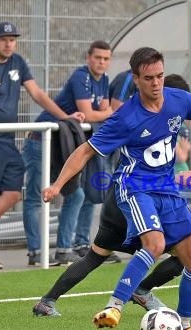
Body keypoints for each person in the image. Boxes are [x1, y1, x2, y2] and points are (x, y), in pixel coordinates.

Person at [40, 47, 191, 330]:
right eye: (149, 78)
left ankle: (184, 327)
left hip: (167, 191)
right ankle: (114, 306)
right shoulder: (125, 117)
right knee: (153, 244)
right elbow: (84, 151)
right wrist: (57, 185)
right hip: (134, 187)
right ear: (136, 79)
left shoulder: (180, 100)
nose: (156, 83)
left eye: (159, 76)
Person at [31, 74, 191, 318]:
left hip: (119, 202)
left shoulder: (157, 118)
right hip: (132, 202)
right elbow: (135, 171)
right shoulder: (140, 117)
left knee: (95, 256)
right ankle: (137, 291)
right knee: (186, 250)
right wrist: (57, 185)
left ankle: (47, 301)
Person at [0, 21, 83, 270]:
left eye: (13, 39)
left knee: (13, 193)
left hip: (7, 139)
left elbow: (38, 94)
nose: (9, 43)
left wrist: (64, 117)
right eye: (4, 39)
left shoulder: (18, 63)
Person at [23, 40, 114, 266]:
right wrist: (108, 111)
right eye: (98, 58)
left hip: (66, 142)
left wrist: (103, 112)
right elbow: (92, 114)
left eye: (106, 59)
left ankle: (70, 247)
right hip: (42, 139)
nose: (102, 62)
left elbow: (99, 112)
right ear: (88, 58)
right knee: (36, 196)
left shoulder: (104, 80)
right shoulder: (80, 77)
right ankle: (35, 252)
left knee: (81, 194)